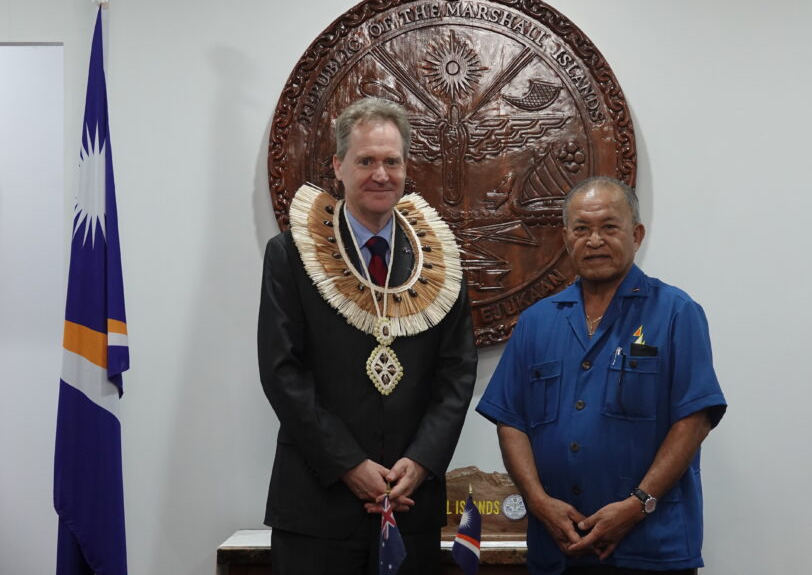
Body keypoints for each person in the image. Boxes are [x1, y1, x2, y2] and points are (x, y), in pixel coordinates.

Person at [258, 97, 477, 574]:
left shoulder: (441, 258)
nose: (381, 174)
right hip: (317, 508)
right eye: (366, 161)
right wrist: (348, 465)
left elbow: (457, 374)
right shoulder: (290, 255)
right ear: (338, 166)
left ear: (405, 167)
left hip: (410, 506)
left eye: (391, 161)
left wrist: (419, 463)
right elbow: (282, 372)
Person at [477, 176, 726, 575]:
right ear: (565, 237)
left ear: (636, 234)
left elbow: (694, 421)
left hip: (650, 547)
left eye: (609, 227)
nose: (594, 241)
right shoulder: (536, 322)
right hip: (558, 547)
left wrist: (637, 504)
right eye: (582, 229)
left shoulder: (677, 313)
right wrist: (538, 503)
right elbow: (511, 421)